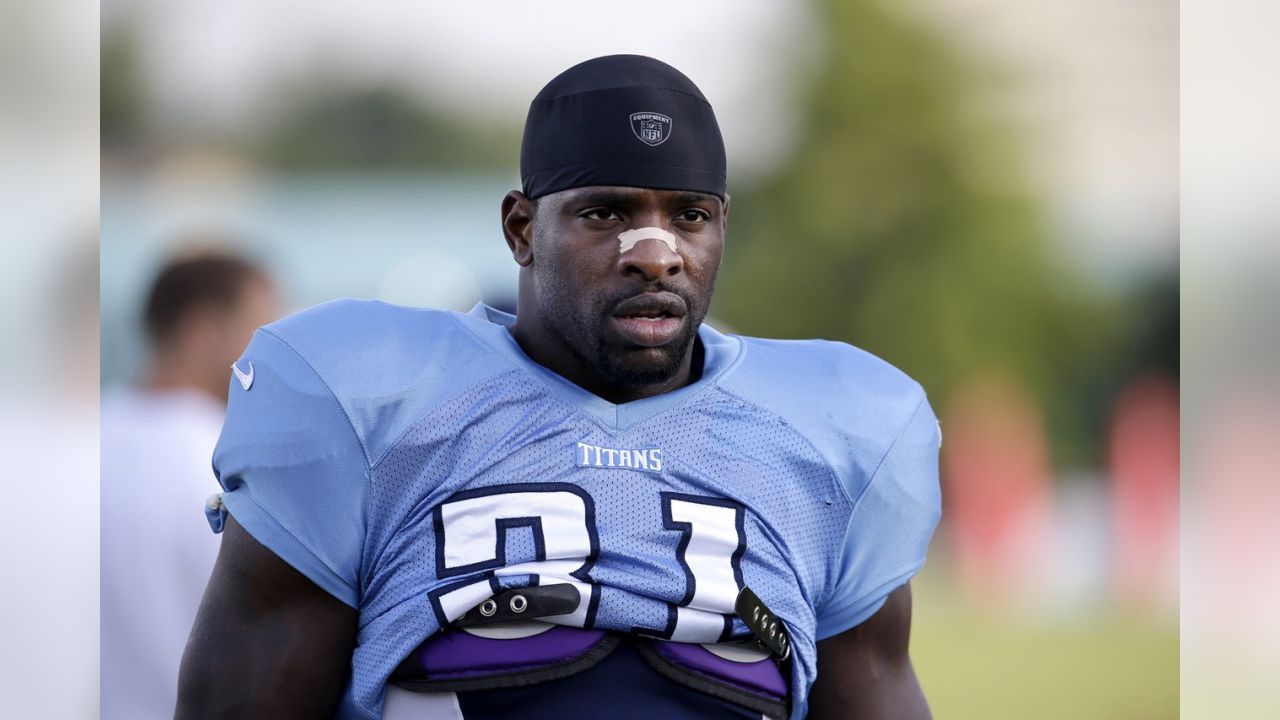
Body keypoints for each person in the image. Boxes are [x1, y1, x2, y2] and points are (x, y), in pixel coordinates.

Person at [177, 55, 941, 720]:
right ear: (520, 230)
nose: (655, 253)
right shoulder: (367, 398)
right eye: (604, 212)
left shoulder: (840, 429)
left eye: (690, 216)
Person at [102, 250, 280, 719]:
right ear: (203, 333)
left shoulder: (70, 445)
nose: (279, 363)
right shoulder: (237, 470)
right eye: (264, 332)